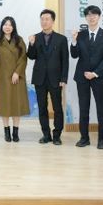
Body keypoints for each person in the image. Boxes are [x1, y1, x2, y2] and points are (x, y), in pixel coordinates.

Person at [70, 5, 103, 150]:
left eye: (94, 14)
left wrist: (95, 73)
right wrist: (74, 41)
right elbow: (74, 55)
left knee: (102, 109)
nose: (91, 17)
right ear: (86, 17)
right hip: (82, 76)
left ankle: (102, 139)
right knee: (84, 108)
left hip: (99, 77)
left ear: (99, 16)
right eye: (88, 15)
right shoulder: (80, 34)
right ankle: (84, 138)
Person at [26, 9, 69, 145]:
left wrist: (63, 78)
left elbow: (65, 60)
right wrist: (31, 44)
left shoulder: (61, 39)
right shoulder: (35, 37)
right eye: (42, 19)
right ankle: (46, 134)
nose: (44, 22)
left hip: (56, 79)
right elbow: (31, 56)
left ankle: (57, 135)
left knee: (57, 108)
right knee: (42, 108)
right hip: (39, 78)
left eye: (47, 19)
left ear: (53, 21)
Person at [0, 16, 29, 142]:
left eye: (10, 25)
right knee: (4, 105)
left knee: (16, 104)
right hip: (3, 78)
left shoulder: (19, 40)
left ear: (13, 27)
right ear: (2, 27)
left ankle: (15, 132)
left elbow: (23, 58)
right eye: (5, 24)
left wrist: (17, 72)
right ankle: (6, 131)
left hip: (17, 77)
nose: (7, 27)